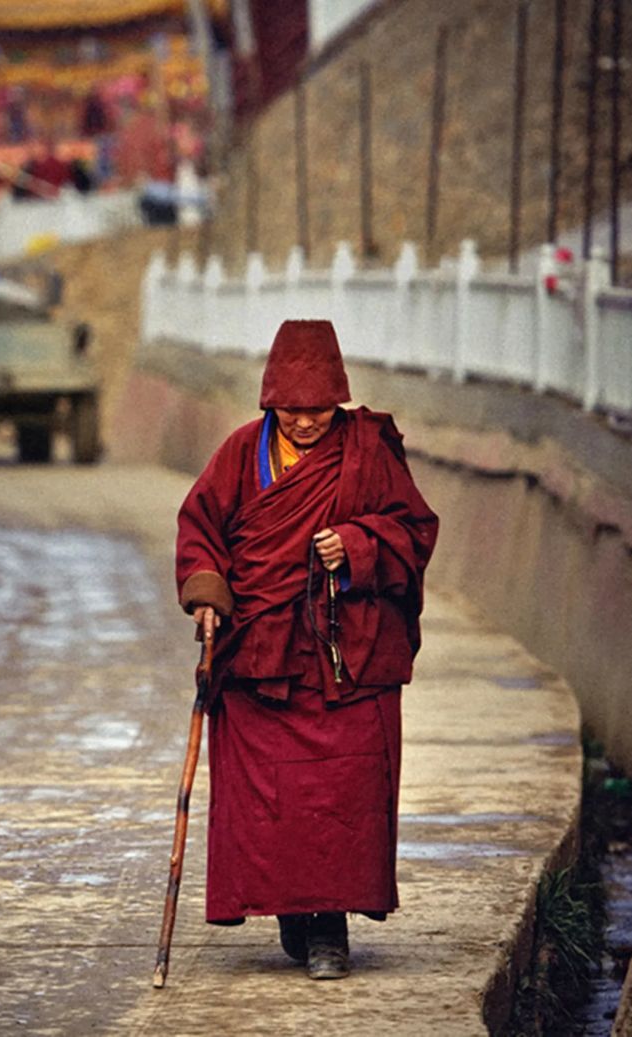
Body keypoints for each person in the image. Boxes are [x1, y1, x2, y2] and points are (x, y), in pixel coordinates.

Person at [175, 320, 438, 980]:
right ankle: (295, 915)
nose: (306, 424)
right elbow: (200, 529)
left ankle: (331, 930)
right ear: (270, 404)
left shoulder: (368, 451)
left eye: (318, 410)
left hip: (344, 657)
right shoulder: (240, 453)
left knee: (341, 797)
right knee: (274, 805)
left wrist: (356, 545)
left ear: (339, 402)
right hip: (260, 659)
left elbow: (414, 530)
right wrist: (207, 593)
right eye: (292, 411)